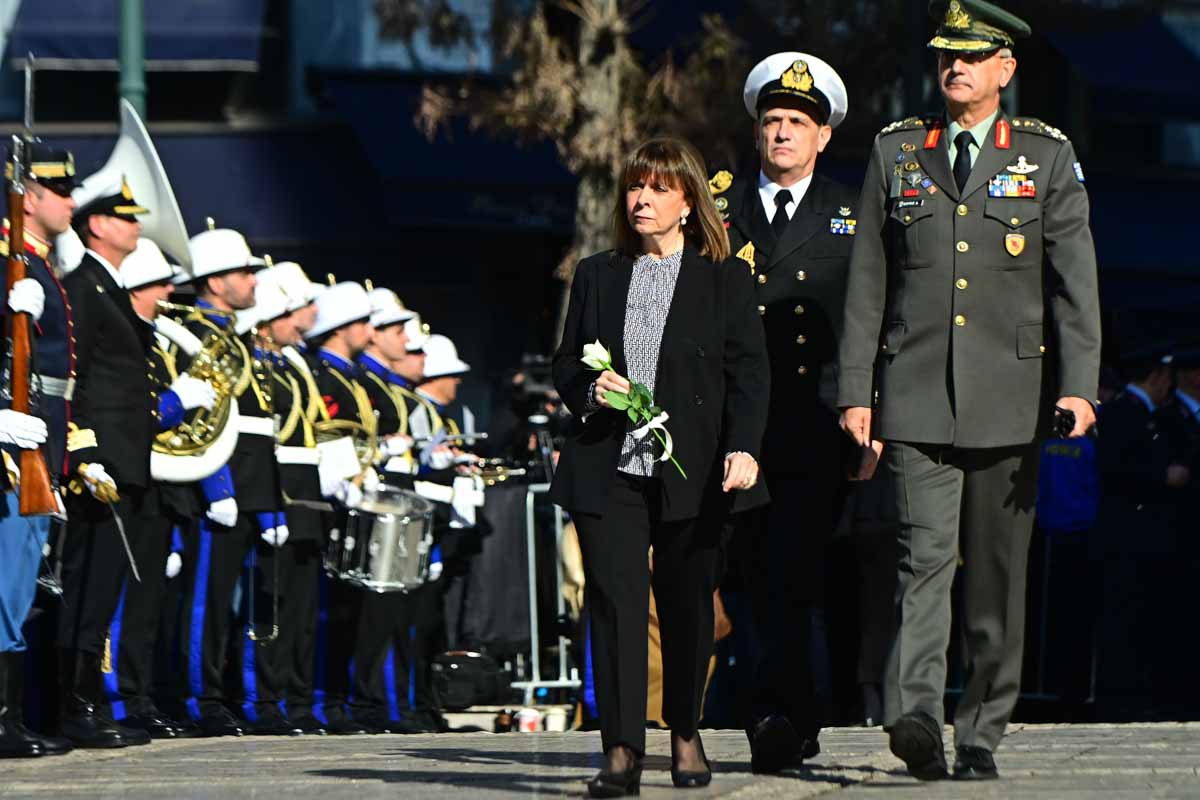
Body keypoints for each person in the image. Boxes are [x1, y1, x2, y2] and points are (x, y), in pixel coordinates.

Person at [837, 0, 1101, 781]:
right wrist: (856, 389)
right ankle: (916, 716)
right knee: (921, 563)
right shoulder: (897, 151)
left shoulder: (1045, 156)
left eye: (972, 55)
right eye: (947, 55)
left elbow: (1075, 284)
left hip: (1012, 399)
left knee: (994, 580)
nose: (955, 66)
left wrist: (1080, 388)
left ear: (1004, 69)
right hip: (915, 395)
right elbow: (868, 281)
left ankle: (981, 728)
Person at [551, 137, 769, 796]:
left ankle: (685, 732)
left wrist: (744, 447)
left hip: (692, 468)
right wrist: (591, 390)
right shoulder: (598, 273)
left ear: (688, 202)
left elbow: (749, 372)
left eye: (658, 188)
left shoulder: (723, 276)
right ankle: (621, 748)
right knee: (615, 603)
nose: (641, 199)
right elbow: (567, 362)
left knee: (686, 603)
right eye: (634, 187)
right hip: (608, 465)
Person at [710, 51, 858, 772]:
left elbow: (871, 320)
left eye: (798, 122)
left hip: (812, 421)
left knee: (797, 573)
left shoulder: (852, 214)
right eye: (772, 120)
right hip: (732, 422)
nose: (782, 133)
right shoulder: (720, 207)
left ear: (822, 136)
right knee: (740, 574)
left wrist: (868, 408)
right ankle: (767, 714)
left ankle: (792, 713)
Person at [58, 174, 158, 749]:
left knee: (105, 587)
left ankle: (88, 701)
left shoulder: (108, 287)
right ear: (97, 225)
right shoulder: (84, 286)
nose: (136, 226)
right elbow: (77, 376)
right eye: (125, 217)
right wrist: (86, 449)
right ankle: (75, 705)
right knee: (89, 585)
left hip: (126, 458)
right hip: (102, 463)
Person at [102, 239, 214, 740]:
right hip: (125, 480)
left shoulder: (155, 344)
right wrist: (174, 402)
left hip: (160, 487)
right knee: (121, 601)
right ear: (136, 289)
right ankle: (115, 698)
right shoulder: (124, 341)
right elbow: (133, 414)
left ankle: (137, 695)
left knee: (147, 605)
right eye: (160, 284)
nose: (170, 292)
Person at [178, 223, 274, 737]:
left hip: (248, 487)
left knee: (232, 605)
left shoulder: (232, 337)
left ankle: (219, 692)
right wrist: (218, 487)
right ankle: (200, 697)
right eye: (243, 272)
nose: (254, 281)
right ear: (215, 282)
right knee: (205, 604)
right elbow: (202, 423)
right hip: (217, 486)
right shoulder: (195, 334)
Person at [0, 140, 78, 759]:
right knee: (6, 588)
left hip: (37, 446)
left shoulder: (39, 264)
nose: (71, 202)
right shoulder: (8, 262)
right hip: (9, 444)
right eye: (60, 191)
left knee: (21, 586)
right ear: (28, 198)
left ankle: (11, 718)